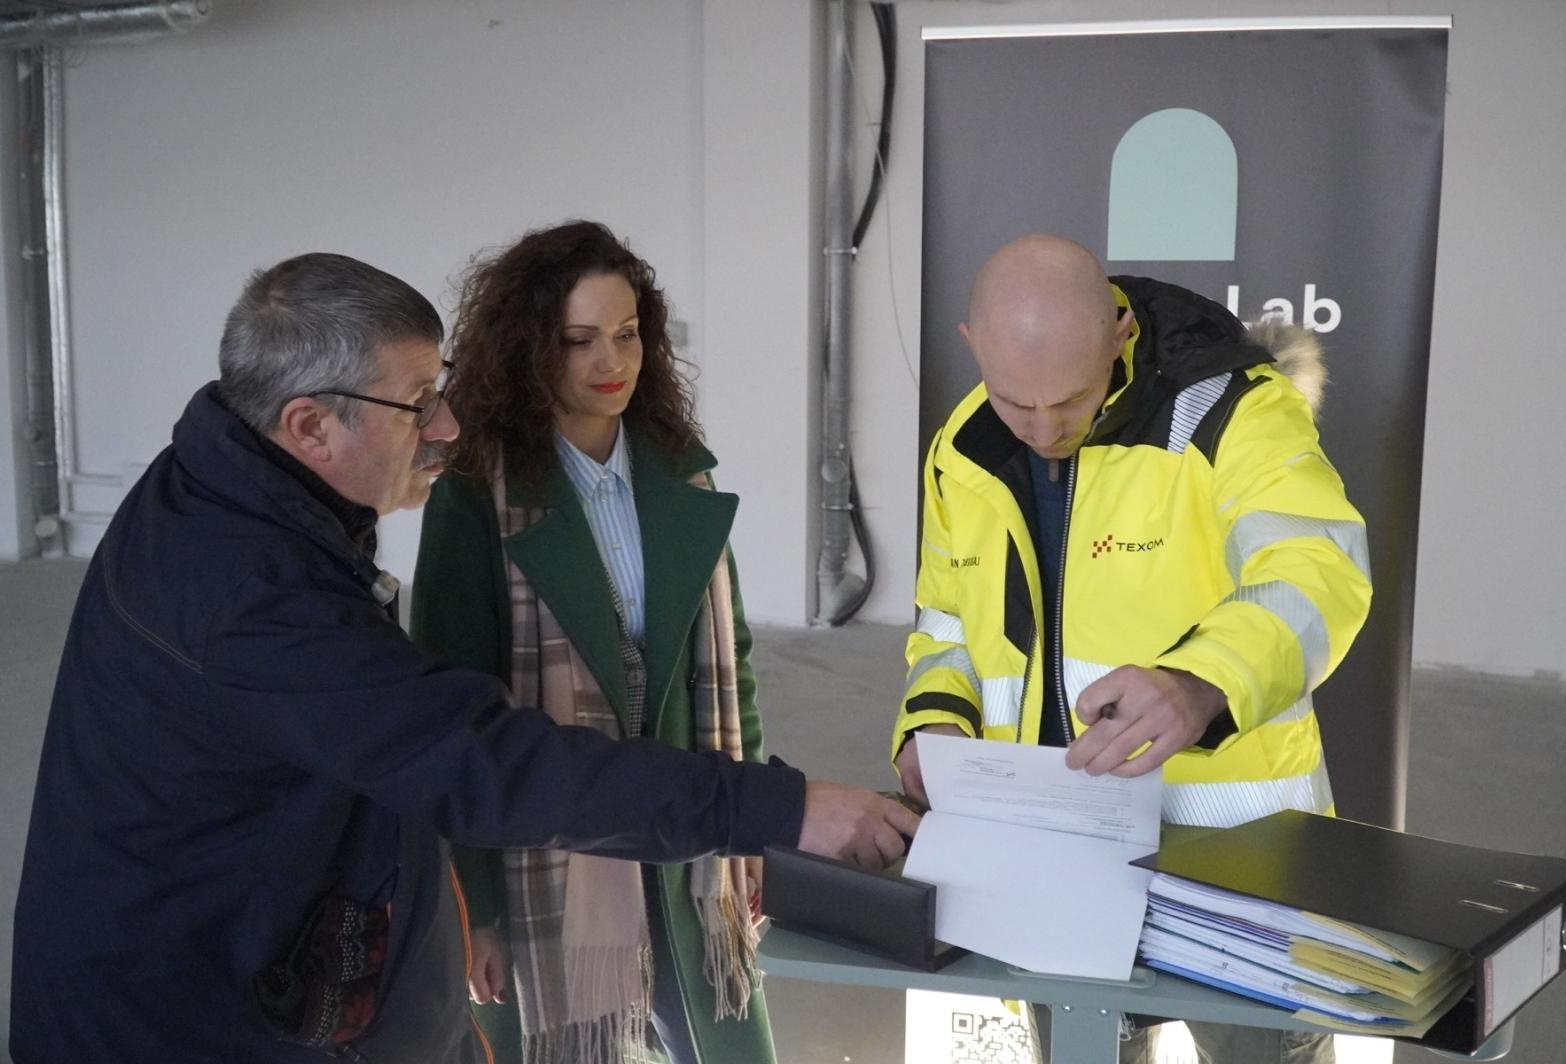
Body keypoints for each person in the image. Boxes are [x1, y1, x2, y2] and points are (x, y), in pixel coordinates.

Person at [9, 252, 919, 1064]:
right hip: (190, 1020)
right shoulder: (255, 601)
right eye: (415, 404)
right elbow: (482, 759)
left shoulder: (223, 485)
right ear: (308, 426)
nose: (444, 423)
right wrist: (780, 807)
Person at [890, 235, 1372, 1064]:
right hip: (1056, 860)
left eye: (1071, 399)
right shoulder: (961, 446)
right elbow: (946, 624)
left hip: (1240, 864)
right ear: (973, 347)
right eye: (1016, 401)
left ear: (1118, 330)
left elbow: (1319, 565)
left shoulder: (1231, 408)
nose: (1045, 429)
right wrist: (932, 726)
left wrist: (1198, 681)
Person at [409, 220, 781, 1064]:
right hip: (552, 848)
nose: (611, 362)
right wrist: (479, 908)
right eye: (578, 341)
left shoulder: (682, 468)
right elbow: (451, 716)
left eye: (626, 334)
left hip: (690, 830)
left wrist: (751, 818)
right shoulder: (476, 496)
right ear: (527, 348)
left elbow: (735, 661)